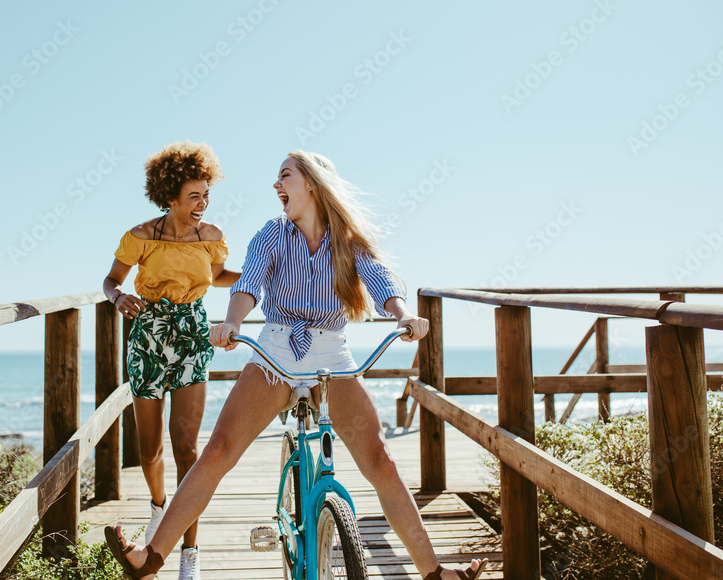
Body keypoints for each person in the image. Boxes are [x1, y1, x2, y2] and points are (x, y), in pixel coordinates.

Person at [105, 150, 487, 580]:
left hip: (330, 353)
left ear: (312, 184)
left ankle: (435, 574)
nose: (276, 185)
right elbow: (248, 284)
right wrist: (231, 323)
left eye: (284, 176)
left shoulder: (349, 241)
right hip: (277, 350)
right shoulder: (272, 233)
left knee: (379, 459)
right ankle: (150, 557)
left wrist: (403, 316)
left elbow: (380, 280)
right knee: (218, 450)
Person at [102, 141, 240, 580]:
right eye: (194, 196)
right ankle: (159, 507)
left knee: (187, 449)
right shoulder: (141, 236)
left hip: (193, 335)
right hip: (149, 336)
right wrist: (120, 296)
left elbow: (217, 278)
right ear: (170, 197)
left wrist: (264, 277)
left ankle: (190, 555)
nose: (202, 204)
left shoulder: (213, 237)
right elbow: (110, 280)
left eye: (206, 195)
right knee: (150, 450)